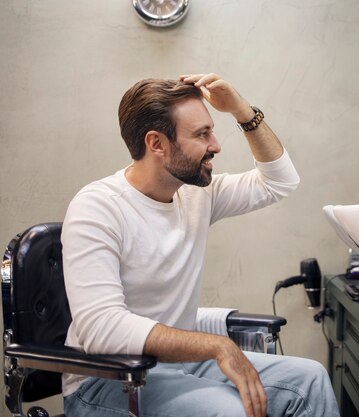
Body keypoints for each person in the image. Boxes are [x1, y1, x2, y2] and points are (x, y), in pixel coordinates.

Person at [61, 73, 340, 417]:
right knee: (232, 412)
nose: (216, 145)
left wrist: (242, 112)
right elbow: (101, 328)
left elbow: (280, 181)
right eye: (202, 134)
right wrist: (217, 347)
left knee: (309, 380)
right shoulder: (97, 207)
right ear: (157, 144)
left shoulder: (195, 193)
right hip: (109, 379)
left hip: (178, 366)